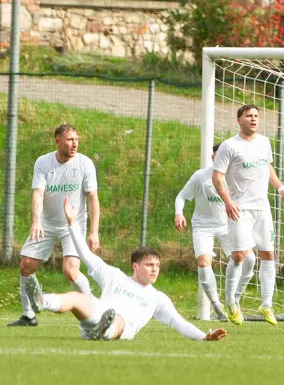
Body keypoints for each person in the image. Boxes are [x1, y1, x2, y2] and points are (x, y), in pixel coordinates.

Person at [25, 200, 226, 343]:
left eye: (157, 266)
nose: (155, 269)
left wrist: (204, 336)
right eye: (149, 265)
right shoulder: (114, 276)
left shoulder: (158, 298)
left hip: (120, 327)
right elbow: (85, 254)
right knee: (77, 297)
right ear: (135, 266)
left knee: (118, 320)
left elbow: (179, 323)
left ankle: (105, 331)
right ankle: (42, 301)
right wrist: (72, 223)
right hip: (98, 315)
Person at [9, 123, 100, 328]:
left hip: (73, 225)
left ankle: (93, 308)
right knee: (26, 266)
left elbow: (93, 197)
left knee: (70, 270)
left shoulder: (85, 164)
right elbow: (38, 193)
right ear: (58, 141)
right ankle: (28, 315)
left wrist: (94, 232)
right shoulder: (43, 162)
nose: (74, 143)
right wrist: (36, 222)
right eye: (69, 140)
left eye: (76, 139)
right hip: (47, 224)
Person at [212, 104, 284, 326]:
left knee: (268, 254)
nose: (254, 119)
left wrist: (282, 189)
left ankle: (266, 305)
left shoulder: (264, 143)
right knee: (239, 256)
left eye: (256, 116)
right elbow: (217, 177)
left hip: (262, 209)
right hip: (239, 209)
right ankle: (231, 301)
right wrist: (227, 201)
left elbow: (268, 170)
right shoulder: (229, 146)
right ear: (239, 120)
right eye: (249, 116)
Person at [175, 143, 255, 321]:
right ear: (213, 158)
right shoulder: (200, 177)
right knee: (204, 262)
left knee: (248, 259)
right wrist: (179, 213)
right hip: (203, 226)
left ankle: (233, 299)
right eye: (218, 157)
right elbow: (181, 196)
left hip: (230, 225)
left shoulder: (237, 178)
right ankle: (216, 305)